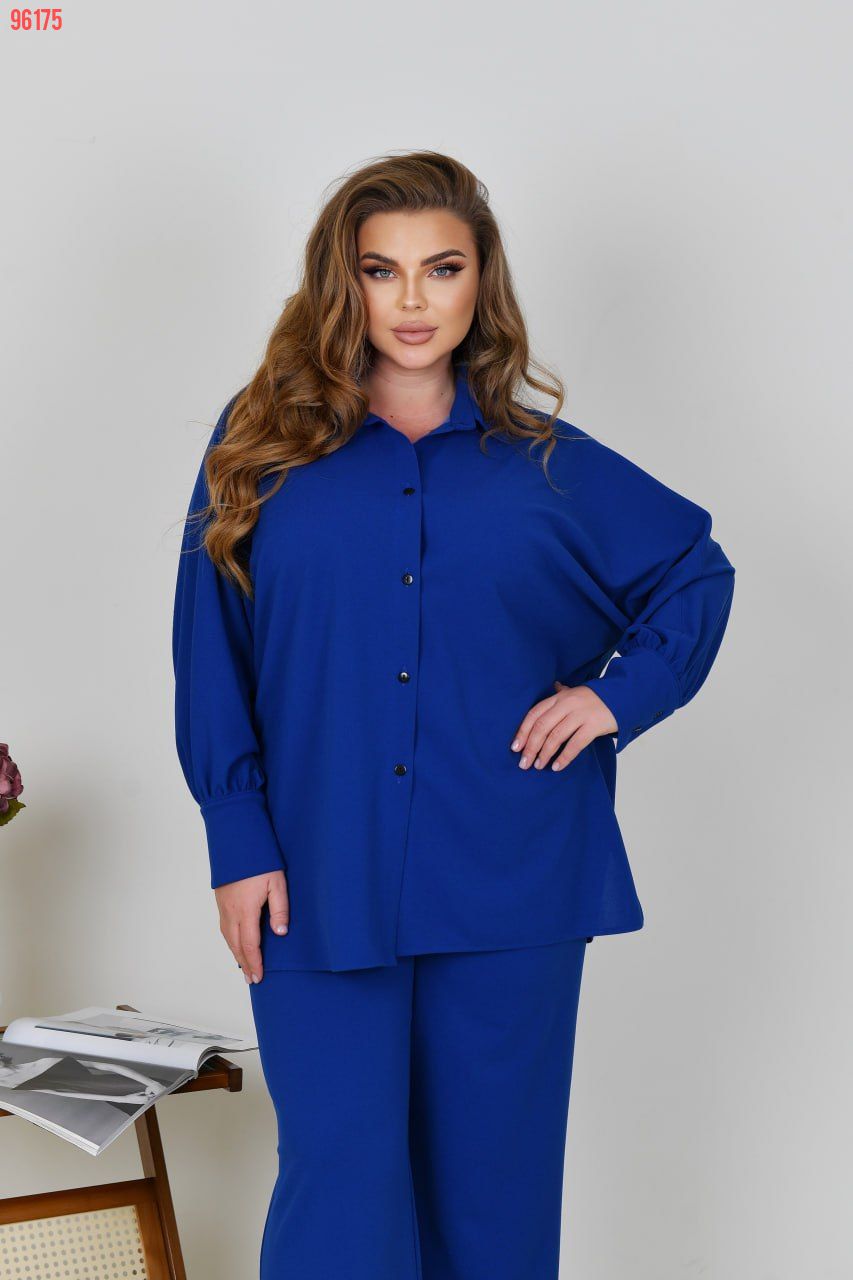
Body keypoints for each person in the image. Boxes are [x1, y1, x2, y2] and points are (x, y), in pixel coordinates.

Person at [171, 149, 736, 1280]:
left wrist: (613, 696)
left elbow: (693, 572)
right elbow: (210, 647)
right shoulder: (261, 446)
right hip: (314, 873)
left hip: (512, 876)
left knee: (493, 1194)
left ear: (483, 281)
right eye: (381, 270)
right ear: (343, 283)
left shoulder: (544, 465)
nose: (414, 300)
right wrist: (237, 833)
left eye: (443, 268)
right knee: (337, 1180)